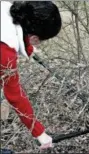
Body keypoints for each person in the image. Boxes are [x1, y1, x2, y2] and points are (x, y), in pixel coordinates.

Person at [0, 1, 62, 151]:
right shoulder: (4, 52)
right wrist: (39, 132)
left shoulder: (7, 8)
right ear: (34, 38)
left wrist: (27, 48)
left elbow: (18, 31)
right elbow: (15, 96)